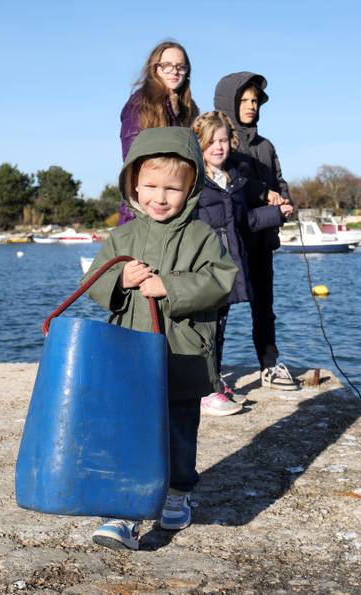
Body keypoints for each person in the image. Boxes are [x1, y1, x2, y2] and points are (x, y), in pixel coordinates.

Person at [82, 127, 237, 550]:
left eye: (172, 187)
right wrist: (119, 277)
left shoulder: (202, 235)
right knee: (125, 432)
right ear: (133, 183)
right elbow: (93, 282)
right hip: (128, 358)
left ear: (191, 188)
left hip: (181, 357)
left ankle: (177, 492)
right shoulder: (121, 237)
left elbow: (222, 281)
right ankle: (122, 513)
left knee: (179, 433)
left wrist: (171, 286)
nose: (160, 196)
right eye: (150, 185)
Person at [191, 111, 293, 416]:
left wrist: (278, 214)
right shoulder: (194, 179)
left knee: (219, 325)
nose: (218, 147)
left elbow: (244, 221)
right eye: (211, 141)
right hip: (204, 264)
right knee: (205, 328)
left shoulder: (233, 179)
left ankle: (213, 383)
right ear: (199, 144)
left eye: (223, 140)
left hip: (228, 265)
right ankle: (203, 389)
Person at [213, 72, 298, 390]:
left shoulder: (266, 145)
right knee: (217, 309)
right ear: (228, 102)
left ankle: (269, 365)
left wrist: (285, 202)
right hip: (228, 242)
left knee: (264, 307)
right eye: (244, 100)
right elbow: (231, 185)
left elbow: (279, 181)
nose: (251, 106)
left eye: (254, 101)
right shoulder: (220, 144)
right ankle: (211, 372)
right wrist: (264, 193)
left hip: (262, 241)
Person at [116, 41, 200, 225]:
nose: (174, 71)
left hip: (179, 207)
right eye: (167, 66)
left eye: (180, 66)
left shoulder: (189, 109)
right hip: (143, 209)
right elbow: (132, 158)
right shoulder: (140, 104)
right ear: (155, 69)